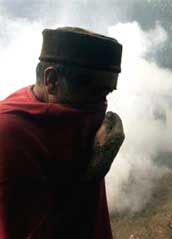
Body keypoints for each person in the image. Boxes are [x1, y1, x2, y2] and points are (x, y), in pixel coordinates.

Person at [0, 27, 125, 238]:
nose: (101, 105)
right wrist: (93, 171)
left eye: (107, 93)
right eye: (94, 92)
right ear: (52, 80)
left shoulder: (68, 110)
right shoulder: (10, 133)